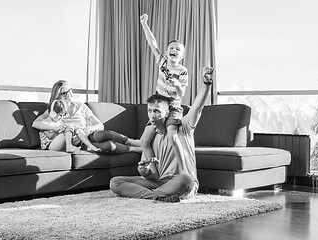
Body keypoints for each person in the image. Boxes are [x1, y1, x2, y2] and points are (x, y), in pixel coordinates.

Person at [110, 66, 214, 202]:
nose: (152, 115)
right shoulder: (149, 137)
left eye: (157, 111)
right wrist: (144, 171)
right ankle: (157, 196)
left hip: (180, 182)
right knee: (115, 182)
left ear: (167, 113)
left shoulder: (183, 127)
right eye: (150, 111)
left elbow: (198, 108)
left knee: (185, 179)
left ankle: (150, 195)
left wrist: (206, 84)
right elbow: (152, 177)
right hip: (158, 182)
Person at [33, 80, 141, 154]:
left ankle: (130, 141)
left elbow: (100, 125)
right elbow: (36, 123)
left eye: (69, 91)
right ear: (57, 96)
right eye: (63, 93)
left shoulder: (81, 107)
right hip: (78, 143)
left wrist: (89, 128)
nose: (68, 95)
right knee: (109, 146)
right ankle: (133, 149)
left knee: (102, 135)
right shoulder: (55, 109)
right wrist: (54, 128)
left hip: (87, 136)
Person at [139, 13, 188, 171]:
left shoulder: (182, 71)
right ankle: (154, 172)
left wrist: (176, 84)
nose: (174, 50)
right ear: (167, 52)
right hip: (159, 106)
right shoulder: (163, 63)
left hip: (173, 107)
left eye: (177, 49)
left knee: (172, 137)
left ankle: (183, 170)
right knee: (144, 141)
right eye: (171, 48)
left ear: (181, 55)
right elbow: (152, 43)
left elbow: (181, 95)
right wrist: (144, 24)